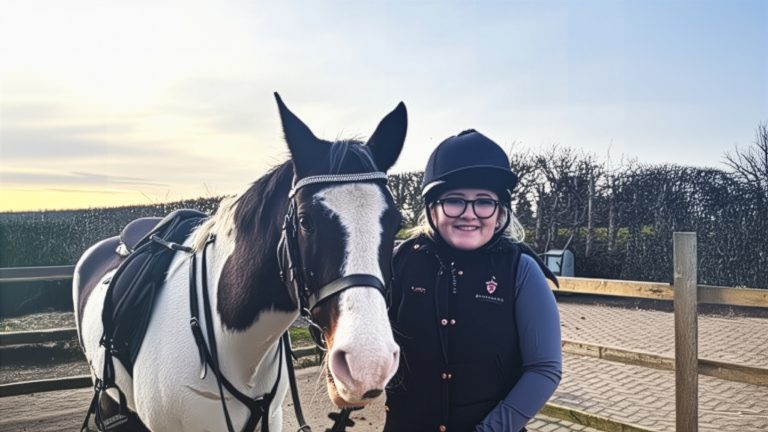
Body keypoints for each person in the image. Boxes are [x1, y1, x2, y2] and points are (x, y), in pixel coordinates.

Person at [384, 129, 562, 432]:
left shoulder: (521, 271)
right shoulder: (397, 263)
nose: (469, 214)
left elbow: (543, 368)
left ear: (500, 211)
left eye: (484, 202)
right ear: (432, 208)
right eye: (454, 201)